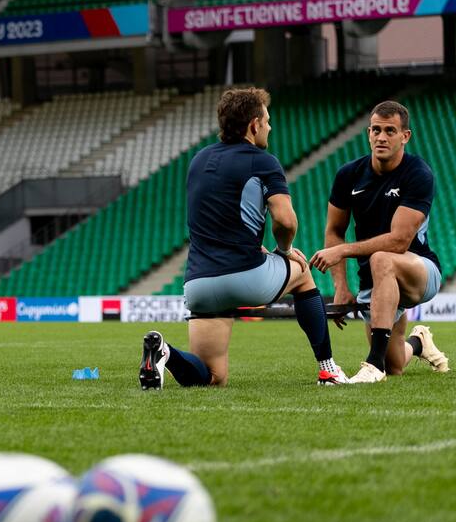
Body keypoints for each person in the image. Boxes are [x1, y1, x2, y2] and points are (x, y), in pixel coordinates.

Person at [140, 88, 346, 389]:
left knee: (211, 378)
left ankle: (165, 353)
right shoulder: (263, 161)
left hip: (199, 283)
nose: (270, 127)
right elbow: (286, 220)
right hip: (246, 277)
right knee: (302, 273)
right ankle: (328, 370)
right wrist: (284, 250)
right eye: (268, 121)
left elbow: (216, 216)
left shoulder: (198, 160)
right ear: (254, 125)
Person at [309, 100, 447, 383]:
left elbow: (399, 242)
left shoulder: (418, 174)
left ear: (405, 136)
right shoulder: (349, 174)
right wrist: (341, 287)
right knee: (395, 363)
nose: (381, 137)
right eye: (375, 130)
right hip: (376, 280)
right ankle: (419, 341)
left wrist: (343, 251)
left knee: (382, 257)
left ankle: (373, 366)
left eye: (390, 131)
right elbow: (334, 230)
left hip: (418, 271)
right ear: (368, 133)